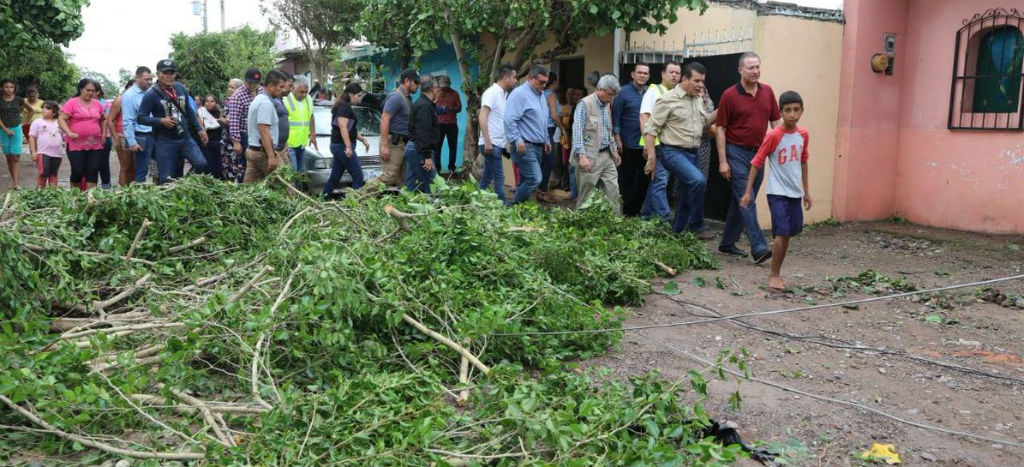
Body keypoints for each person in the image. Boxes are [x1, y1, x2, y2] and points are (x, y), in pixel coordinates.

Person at [739, 91, 810, 290]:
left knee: (787, 235)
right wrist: (747, 192)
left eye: (796, 110)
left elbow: (803, 161)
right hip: (777, 192)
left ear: (802, 111)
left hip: (795, 193)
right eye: (788, 110)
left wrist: (806, 192)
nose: (792, 114)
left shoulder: (803, 135)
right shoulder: (774, 135)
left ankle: (777, 272)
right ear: (781, 112)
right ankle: (773, 275)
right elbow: (756, 162)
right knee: (781, 233)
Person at [716, 52, 781, 264]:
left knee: (741, 199)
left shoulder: (767, 91)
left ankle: (727, 243)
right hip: (736, 152)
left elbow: (775, 123)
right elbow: (720, 129)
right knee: (747, 198)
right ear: (740, 70)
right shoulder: (729, 95)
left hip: (759, 154)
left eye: (757, 67)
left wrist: (779, 149)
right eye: (751, 67)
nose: (755, 71)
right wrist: (723, 161)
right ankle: (759, 247)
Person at [643, 62, 718, 239]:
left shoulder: (697, 100)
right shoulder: (668, 99)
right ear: (684, 79)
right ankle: (697, 226)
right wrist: (652, 158)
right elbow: (650, 129)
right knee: (698, 181)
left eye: (702, 81)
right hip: (672, 152)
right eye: (696, 81)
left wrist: (721, 111)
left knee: (685, 195)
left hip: (693, 153)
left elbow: (704, 124)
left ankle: (675, 234)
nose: (700, 85)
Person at [136, 59, 208, 184]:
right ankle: (173, 190)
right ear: (158, 74)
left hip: (185, 137)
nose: (169, 76)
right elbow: (141, 117)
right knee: (167, 179)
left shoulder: (180, 88)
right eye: (165, 73)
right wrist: (160, 121)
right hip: (165, 141)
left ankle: (183, 185)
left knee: (200, 163)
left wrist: (199, 129)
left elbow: (189, 110)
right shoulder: (151, 94)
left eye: (171, 73)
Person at [571, 74, 622, 213]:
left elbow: (607, 129)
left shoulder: (607, 104)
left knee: (613, 192)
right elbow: (577, 131)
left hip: (607, 155)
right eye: (610, 94)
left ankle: (615, 222)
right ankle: (581, 223)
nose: (612, 98)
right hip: (589, 156)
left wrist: (614, 149)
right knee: (586, 197)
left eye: (614, 95)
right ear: (601, 89)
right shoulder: (584, 104)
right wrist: (581, 156)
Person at [638, 62, 681, 221]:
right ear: (663, 74)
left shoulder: (676, 93)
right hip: (656, 144)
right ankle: (664, 218)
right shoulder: (654, 91)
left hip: (669, 144)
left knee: (658, 181)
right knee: (660, 181)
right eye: (671, 72)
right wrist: (647, 145)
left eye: (677, 73)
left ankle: (646, 215)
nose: (674, 75)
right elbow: (644, 117)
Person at [503, 65, 552, 205]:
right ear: (531, 78)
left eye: (546, 82)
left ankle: (521, 211)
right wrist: (517, 140)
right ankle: (512, 206)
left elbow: (543, 120)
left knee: (526, 180)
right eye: (541, 82)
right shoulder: (519, 94)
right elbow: (509, 119)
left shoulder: (541, 95)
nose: (544, 85)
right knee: (535, 178)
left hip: (538, 145)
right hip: (524, 145)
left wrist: (546, 139)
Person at [369, 69, 419, 190]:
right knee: (388, 177)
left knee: (404, 181)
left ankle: (404, 202)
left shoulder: (408, 97)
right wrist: (385, 145)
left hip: (403, 144)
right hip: (393, 144)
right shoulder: (396, 97)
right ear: (407, 81)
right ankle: (358, 196)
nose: (418, 85)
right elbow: (385, 119)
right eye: (416, 82)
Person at [612, 63, 650, 216]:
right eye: (639, 72)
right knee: (627, 180)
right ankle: (628, 213)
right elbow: (616, 117)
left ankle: (636, 210)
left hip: (646, 145)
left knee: (644, 180)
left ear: (649, 76)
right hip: (627, 144)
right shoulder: (623, 92)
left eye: (645, 73)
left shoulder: (650, 93)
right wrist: (617, 139)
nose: (642, 75)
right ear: (633, 74)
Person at [323, 83, 370, 197]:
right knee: (358, 177)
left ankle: (323, 198)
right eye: (358, 96)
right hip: (342, 146)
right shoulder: (344, 108)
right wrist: (348, 147)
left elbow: (349, 128)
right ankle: (352, 203)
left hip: (338, 146)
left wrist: (362, 139)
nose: (359, 99)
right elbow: (343, 126)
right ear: (350, 94)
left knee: (335, 177)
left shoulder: (343, 106)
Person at [478, 65, 517, 204]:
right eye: (514, 77)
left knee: (487, 177)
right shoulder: (492, 92)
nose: (516, 80)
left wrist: (504, 143)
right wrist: (488, 141)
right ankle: (502, 205)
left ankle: (477, 200)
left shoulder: (504, 95)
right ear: (506, 77)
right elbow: (482, 116)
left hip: (496, 144)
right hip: (490, 143)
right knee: (499, 177)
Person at [58, 79, 106, 190]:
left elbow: (103, 119)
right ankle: (76, 196)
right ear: (80, 89)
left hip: (95, 144)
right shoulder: (72, 103)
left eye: (93, 91)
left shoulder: (97, 104)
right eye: (88, 90)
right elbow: (61, 118)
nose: (90, 93)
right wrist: (69, 132)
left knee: (93, 171)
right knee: (77, 170)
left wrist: (103, 133)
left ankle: (90, 197)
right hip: (76, 144)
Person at [243, 69, 288, 183]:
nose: (283, 90)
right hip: (263, 153)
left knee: (249, 189)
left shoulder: (259, 98)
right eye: (281, 87)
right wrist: (271, 156)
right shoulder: (265, 103)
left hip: (253, 151)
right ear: (271, 86)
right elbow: (264, 131)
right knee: (286, 186)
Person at [405, 75, 439, 193]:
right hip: (419, 150)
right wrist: (427, 156)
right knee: (432, 185)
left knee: (410, 185)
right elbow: (422, 132)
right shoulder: (425, 106)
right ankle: (432, 204)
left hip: (414, 148)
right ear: (434, 89)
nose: (438, 90)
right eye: (437, 88)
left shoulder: (421, 103)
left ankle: (405, 202)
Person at [121, 66, 155, 183]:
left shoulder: (151, 92)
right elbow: (127, 120)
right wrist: (132, 142)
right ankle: (140, 192)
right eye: (146, 79)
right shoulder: (129, 95)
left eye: (151, 79)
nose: (149, 82)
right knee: (141, 170)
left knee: (161, 166)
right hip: (141, 136)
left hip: (156, 134)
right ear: (137, 78)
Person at [229, 68, 263, 180]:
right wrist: (236, 142)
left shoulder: (262, 91)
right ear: (244, 81)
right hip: (245, 135)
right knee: (246, 165)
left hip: (260, 134)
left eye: (255, 83)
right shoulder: (237, 96)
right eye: (250, 83)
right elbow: (234, 120)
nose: (252, 86)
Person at [1, 79, 34, 190]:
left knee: (15, 156)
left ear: (14, 88)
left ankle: (15, 183)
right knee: (8, 156)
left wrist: (24, 122)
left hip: (16, 129)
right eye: (6, 87)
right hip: (3, 129)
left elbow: (31, 110)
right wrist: (5, 129)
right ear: (2, 88)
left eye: (11, 87)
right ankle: (13, 180)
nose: (9, 89)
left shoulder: (19, 99)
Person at [537, 72, 561, 202]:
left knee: (543, 161)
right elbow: (554, 116)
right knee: (549, 161)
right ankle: (543, 191)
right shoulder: (550, 95)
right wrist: (563, 129)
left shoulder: (539, 94)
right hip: (548, 130)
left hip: (539, 129)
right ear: (554, 82)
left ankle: (540, 189)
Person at [28, 101, 64, 188]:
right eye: (43, 108)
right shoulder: (37, 122)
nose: (44, 110)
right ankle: (40, 193)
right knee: (43, 173)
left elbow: (64, 135)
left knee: (54, 173)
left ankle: (52, 193)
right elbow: (32, 137)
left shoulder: (59, 122)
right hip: (43, 152)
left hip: (57, 153)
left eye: (47, 108)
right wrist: (33, 152)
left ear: (54, 112)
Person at [106, 81, 135, 185]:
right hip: (122, 135)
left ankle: (131, 191)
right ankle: (123, 191)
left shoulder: (138, 99)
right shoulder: (120, 99)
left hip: (136, 136)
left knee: (134, 167)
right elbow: (110, 120)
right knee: (125, 167)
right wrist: (116, 138)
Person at [285, 77, 317, 172]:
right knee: (293, 172)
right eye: (301, 92)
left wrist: (312, 134)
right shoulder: (286, 100)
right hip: (289, 144)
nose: (304, 94)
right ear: (293, 89)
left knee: (301, 172)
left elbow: (311, 116)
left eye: (306, 92)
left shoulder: (308, 99)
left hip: (302, 143)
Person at [433, 75, 462, 173]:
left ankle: (451, 168)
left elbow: (460, 108)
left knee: (453, 147)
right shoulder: (436, 93)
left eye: (446, 86)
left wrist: (452, 109)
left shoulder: (455, 94)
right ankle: (437, 168)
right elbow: (431, 106)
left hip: (452, 124)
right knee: (437, 147)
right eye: (443, 86)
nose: (444, 88)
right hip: (439, 124)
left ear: (449, 85)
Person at [197, 95, 227, 178]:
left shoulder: (220, 112)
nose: (209, 103)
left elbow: (225, 125)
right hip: (207, 142)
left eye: (212, 101)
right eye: (207, 101)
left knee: (219, 165)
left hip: (219, 142)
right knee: (209, 166)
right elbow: (200, 127)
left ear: (216, 103)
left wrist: (221, 120)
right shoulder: (200, 112)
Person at [271, 71, 293, 172]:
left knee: (289, 174)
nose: (291, 89)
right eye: (290, 86)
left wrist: (285, 144)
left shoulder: (281, 100)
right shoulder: (270, 100)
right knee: (284, 176)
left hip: (282, 148)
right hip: (274, 149)